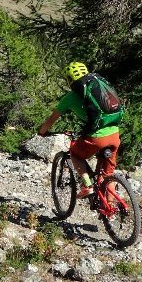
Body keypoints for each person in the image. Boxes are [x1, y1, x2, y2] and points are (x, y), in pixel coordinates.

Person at [37, 61, 120, 199]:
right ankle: (110, 211)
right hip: (114, 133)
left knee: (75, 154)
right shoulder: (97, 87)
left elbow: (52, 119)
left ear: (69, 80)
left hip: (97, 136)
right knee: (107, 175)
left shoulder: (70, 97)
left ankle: (87, 185)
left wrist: (42, 132)